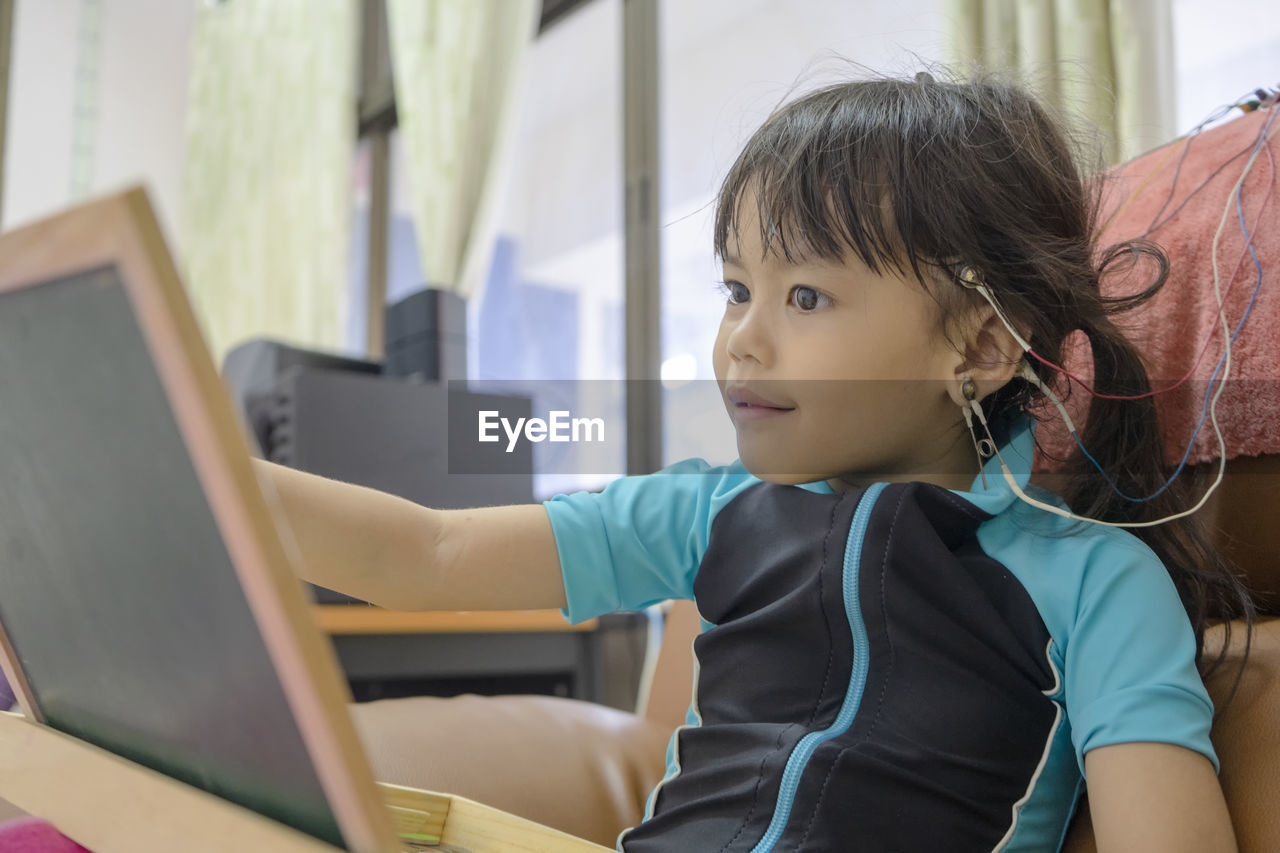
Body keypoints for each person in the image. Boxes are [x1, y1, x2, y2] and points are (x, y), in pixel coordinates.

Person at [255, 71, 1253, 852]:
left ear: (981, 346)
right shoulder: (711, 511)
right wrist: (213, 476)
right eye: (737, 288)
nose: (741, 341)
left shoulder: (1092, 582)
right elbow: (427, 556)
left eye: (804, 297)